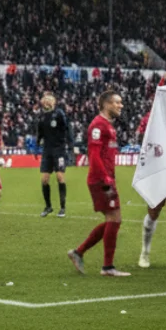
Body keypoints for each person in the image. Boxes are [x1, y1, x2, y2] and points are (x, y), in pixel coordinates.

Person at [67, 91, 130, 277]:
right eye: (117, 102)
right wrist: (105, 178)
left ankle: (79, 253)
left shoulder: (108, 126)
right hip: (101, 180)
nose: (121, 106)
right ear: (106, 104)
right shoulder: (98, 125)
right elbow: (93, 156)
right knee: (115, 219)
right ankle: (107, 267)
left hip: (105, 178)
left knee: (114, 220)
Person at [137, 80, 166, 268]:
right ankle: (145, 252)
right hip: (160, 170)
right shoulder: (152, 117)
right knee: (153, 211)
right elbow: (141, 136)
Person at [36, 92, 72, 218]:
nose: (45, 102)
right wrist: (36, 147)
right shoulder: (41, 117)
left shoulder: (59, 114)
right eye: (44, 100)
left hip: (59, 150)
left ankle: (62, 207)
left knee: (60, 177)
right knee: (44, 180)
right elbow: (39, 134)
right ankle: (48, 207)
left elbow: (67, 128)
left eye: (48, 100)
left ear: (53, 102)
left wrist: (71, 145)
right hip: (47, 151)